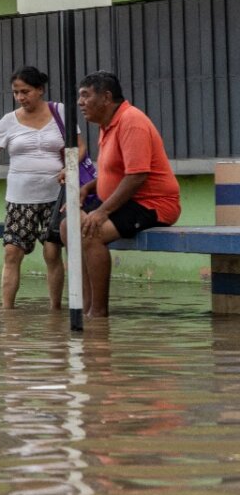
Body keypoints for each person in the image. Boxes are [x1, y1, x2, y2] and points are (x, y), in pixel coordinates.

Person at [0, 66, 84, 310]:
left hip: (54, 197)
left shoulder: (60, 113)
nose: (21, 97)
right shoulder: (8, 121)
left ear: (40, 90)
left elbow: (79, 147)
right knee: (12, 253)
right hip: (19, 198)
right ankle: (7, 311)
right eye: (16, 92)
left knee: (52, 253)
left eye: (26, 91)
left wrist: (70, 167)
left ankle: (55, 309)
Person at [63, 71, 180, 318]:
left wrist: (102, 211)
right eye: (79, 96)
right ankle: (85, 306)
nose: (80, 102)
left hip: (152, 204)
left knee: (89, 232)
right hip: (127, 202)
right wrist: (89, 188)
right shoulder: (108, 126)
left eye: (85, 95)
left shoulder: (131, 121)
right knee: (67, 227)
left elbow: (137, 176)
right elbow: (113, 171)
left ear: (106, 97)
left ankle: (99, 312)